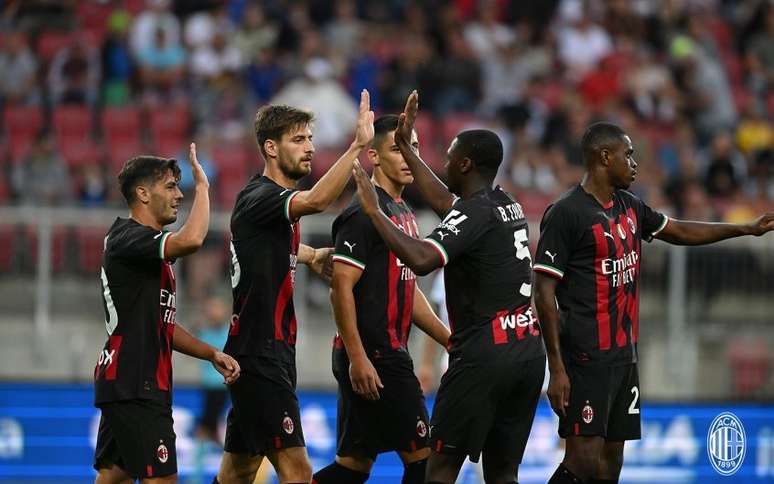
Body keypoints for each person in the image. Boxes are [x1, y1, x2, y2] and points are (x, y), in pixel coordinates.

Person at [534, 122, 774, 484]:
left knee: (610, 463)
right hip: (585, 356)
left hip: (624, 357)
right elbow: (543, 292)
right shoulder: (566, 213)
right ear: (604, 157)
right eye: (627, 155)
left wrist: (744, 228)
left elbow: (678, 230)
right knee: (582, 461)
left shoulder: (630, 206)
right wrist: (557, 367)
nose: (634, 163)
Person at [350, 91, 546, 484]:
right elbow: (447, 202)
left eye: (451, 156)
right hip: (526, 353)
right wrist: (407, 145)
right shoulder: (505, 202)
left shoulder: (474, 212)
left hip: (483, 358)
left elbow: (422, 259)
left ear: (467, 164)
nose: (443, 162)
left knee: (438, 471)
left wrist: (374, 212)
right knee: (503, 472)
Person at [216, 90, 375, 484]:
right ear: (271, 148)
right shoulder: (261, 196)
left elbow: (261, 246)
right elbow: (319, 200)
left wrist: (309, 255)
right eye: (298, 140)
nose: (309, 148)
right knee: (298, 472)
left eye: (310, 139)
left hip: (263, 352)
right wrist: (357, 146)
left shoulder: (265, 205)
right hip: (261, 353)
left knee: (239, 471)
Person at [312, 115, 450, 484]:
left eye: (414, 148)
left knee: (353, 466)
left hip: (384, 353)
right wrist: (358, 359)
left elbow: (408, 288)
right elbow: (340, 288)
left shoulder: (402, 211)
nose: (408, 157)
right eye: (397, 148)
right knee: (426, 463)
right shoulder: (361, 214)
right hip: (375, 357)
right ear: (373, 156)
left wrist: (449, 340)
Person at [93, 144, 241, 484]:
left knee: (113, 477)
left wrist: (210, 353)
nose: (178, 195)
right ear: (143, 193)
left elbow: (164, 326)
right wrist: (203, 189)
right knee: (162, 480)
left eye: (180, 187)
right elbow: (192, 240)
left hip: (131, 379)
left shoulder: (145, 250)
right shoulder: (129, 237)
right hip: (136, 381)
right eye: (171, 186)